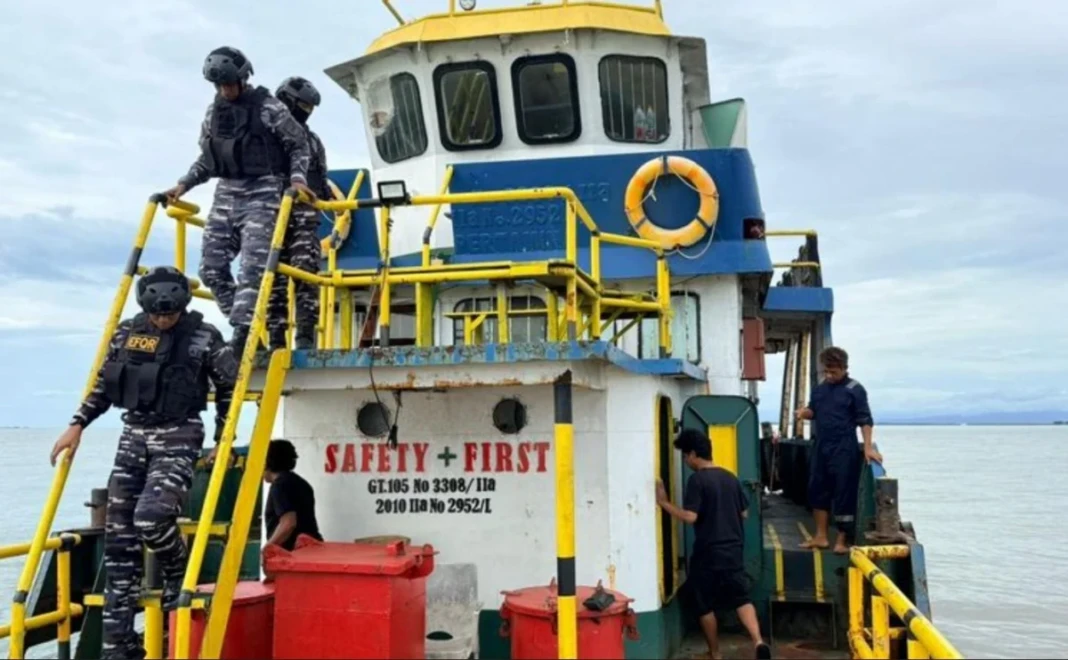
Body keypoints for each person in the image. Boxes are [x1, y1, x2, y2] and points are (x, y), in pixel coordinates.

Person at [49, 266, 237, 659]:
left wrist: (224, 438)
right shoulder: (127, 333)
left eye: (169, 314)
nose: (162, 320)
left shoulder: (204, 336)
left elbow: (229, 388)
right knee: (119, 541)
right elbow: (105, 385)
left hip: (179, 433)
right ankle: (119, 647)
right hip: (133, 434)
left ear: (181, 306)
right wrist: (76, 424)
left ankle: (177, 568)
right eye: (156, 314)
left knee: (151, 518)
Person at [162, 46, 316, 355]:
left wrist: (298, 179)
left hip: (264, 193)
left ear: (243, 79)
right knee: (210, 269)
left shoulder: (269, 108)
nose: (225, 90)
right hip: (227, 193)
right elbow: (208, 158)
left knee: (252, 270)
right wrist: (183, 185)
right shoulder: (213, 113)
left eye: (229, 84)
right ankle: (248, 330)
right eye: (219, 85)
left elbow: (299, 145)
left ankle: (244, 334)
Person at [656, 429, 771, 660]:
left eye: (685, 456)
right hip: (734, 549)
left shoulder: (697, 480)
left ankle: (715, 653)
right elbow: (744, 513)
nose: (685, 461)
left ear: (693, 454)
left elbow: (690, 517)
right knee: (741, 598)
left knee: (704, 603)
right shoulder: (730, 477)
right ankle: (758, 641)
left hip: (708, 552)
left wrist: (664, 503)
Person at [795, 346, 880, 554]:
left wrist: (868, 447)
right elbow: (814, 411)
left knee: (844, 492)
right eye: (826, 371)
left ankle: (842, 540)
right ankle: (821, 537)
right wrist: (805, 413)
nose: (829, 375)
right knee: (817, 489)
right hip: (821, 445)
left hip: (844, 446)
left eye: (833, 372)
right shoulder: (819, 390)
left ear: (844, 368)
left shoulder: (855, 389)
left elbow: (865, 419)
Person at [266, 76, 330, 350]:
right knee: (273, 279)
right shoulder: (266, 139)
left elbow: (321, 181)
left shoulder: (312, 142)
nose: (306, 112)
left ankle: (305, 336)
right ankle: (275, 339)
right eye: (303, 106)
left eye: (310, 108)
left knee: (306, 272)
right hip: (270, 218)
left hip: (304, 220)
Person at [263, 439, 322, 556]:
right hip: (311, 551)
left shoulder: (279, 486)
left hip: (293, 555)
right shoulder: (300, 482)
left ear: (266, 463)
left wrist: (267, 548)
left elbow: (288, 523)